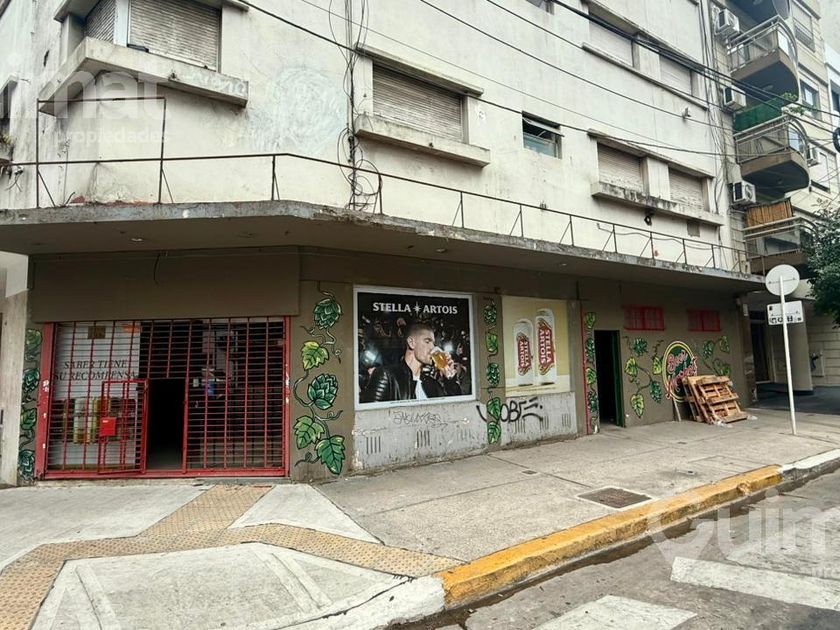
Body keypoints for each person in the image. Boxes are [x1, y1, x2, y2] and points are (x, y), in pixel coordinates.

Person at [361, 321, 462, 402]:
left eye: (433, 343)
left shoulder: (432, 385)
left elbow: (455, 410)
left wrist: (450, 379)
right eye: (427, 341)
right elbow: (371, 416)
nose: (433, 347)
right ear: (411, 343)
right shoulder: (387, 376)